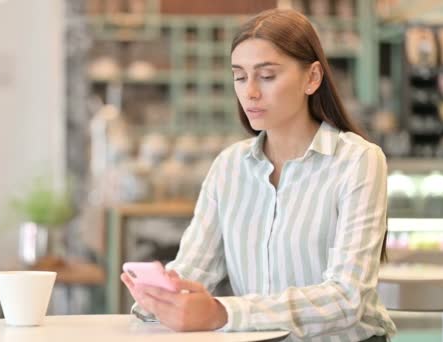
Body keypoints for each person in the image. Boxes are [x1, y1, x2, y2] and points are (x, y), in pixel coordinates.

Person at [120, 8, 396, 342]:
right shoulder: (229, 167)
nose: (250, 92)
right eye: (239, 76)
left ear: (312, 78)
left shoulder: (358, 161)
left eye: (266, 76)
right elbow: (195, 267)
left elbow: (347, 298)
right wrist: (161, 297)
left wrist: (224, 313)